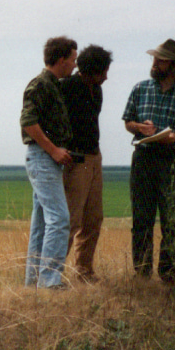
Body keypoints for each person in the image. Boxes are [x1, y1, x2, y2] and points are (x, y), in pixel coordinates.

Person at [121, 39, 175, 283]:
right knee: (141, 220)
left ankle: (169, 276)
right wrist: (140, 127)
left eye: (161, 60)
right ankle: (142, 274)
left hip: (174, 161)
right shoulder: (140, 88)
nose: (155, 63)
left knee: (171, 221)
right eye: (155, 59)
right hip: (144, 160)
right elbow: (128, 122)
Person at [20, 36, 78, 289]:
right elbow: (28, 122)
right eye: (73, 60)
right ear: (62, 59)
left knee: (43, 222)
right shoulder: (41, 84)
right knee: (59, 218)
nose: (75, 66)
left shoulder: (52, 84)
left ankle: (34, 281)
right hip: (43, 158)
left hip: (46, 160)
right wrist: (54, 150)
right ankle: (50, 282)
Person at [60, 45, 112, 283]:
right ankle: (52, 275)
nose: (106, 77)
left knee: (94, 218)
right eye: (103, 72)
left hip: (94, 157)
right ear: (91, 70)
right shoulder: (67, 88)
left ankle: (84, 272)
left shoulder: (97, 91)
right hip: (75, 160)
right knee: (71, 220)